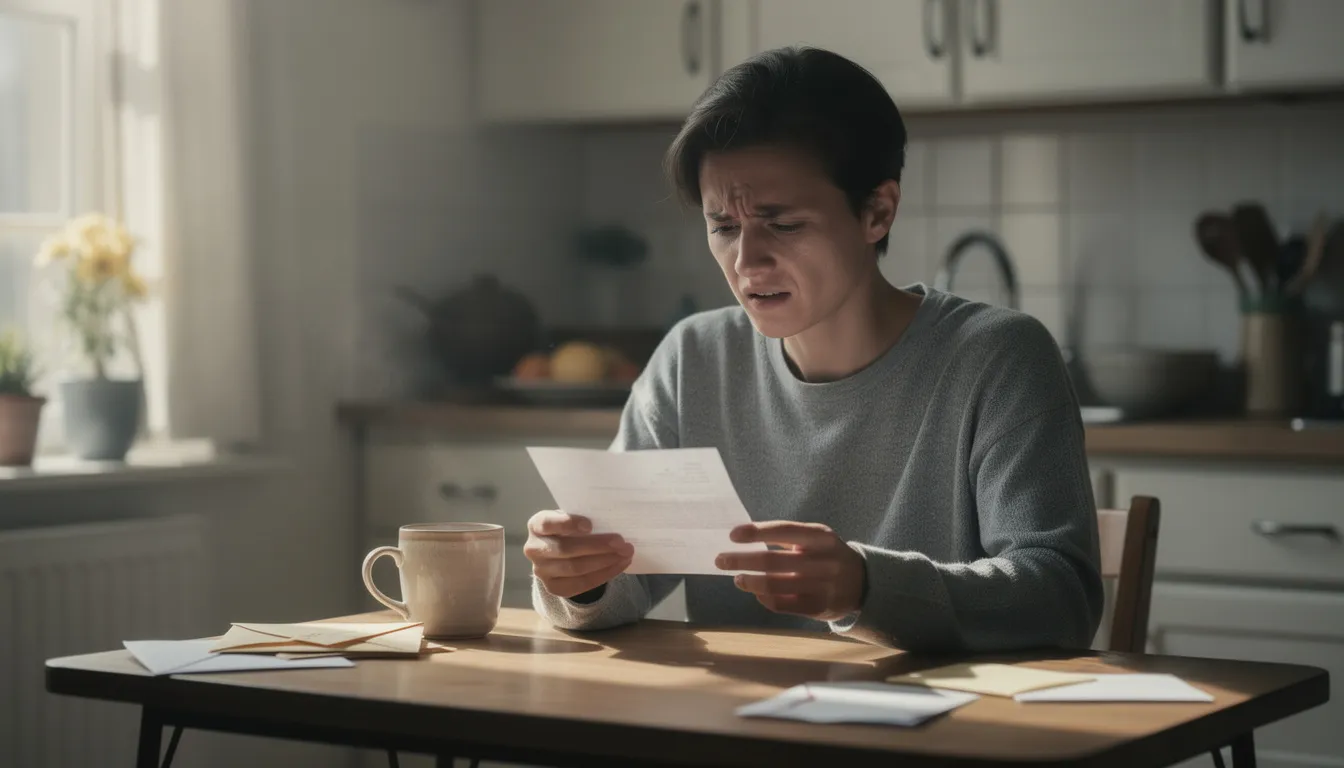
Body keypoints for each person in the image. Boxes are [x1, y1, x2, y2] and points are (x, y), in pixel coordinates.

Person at [523, 46, 1103, 653]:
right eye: (723, 226)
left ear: (877, 211)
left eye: (784, 224)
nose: (747, 262)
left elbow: (1059, 600)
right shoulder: (693, 358)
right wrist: (580, 579)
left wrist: (867, 586)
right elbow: (626, 581)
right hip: (733, 730)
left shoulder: (998, 358)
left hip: (938, 729)